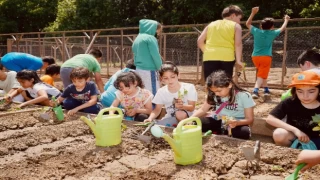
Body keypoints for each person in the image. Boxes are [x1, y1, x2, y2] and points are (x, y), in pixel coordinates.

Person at [191, 70, 255, 140]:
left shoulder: (244, 96)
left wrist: (236, 123)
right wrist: (189, 120)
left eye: (219, 91)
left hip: (236, 123)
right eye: (213, 91)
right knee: (195, 123)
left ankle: (222, 132)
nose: (216, 94)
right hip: (219, 120)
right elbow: (203, 109)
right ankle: (223, 131)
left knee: (243, 132)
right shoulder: (213, 94)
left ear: (229, 85)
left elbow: (250, 119)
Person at [266, 71, 320, 149]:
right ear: (294, 90)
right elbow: (270, 119)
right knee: (279, 134)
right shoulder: (290, 102)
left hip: (317, 139)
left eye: (311, 91)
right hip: (296, 137)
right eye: (300, 91)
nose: (305, 96)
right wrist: (295, 130)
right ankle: (290, 153)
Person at [246, 7, 290, 98]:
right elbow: (282, 28)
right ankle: (255, 91)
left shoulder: (256, 31)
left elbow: (248, 23)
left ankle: (266, 90)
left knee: (262, 73)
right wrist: (286, 20)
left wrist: (253, 13)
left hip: (255, 56)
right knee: (261, 75)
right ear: (272, 27)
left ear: (261, 26)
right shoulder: (273, 33)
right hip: (266, 57)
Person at [197, 5, 244, 79]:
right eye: (239, 18)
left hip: (209, 56)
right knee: (224, 83)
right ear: (233, 15)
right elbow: (238, 44)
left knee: (210, 82)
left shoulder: (211, 24)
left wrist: (207, 51)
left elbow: (200, 41)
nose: (239, 21)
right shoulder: (236, 26)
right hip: (227, 57)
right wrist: (238, 60)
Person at [144, 62, 197, 126]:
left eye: (172, 77)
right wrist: (150, 118)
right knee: (155, 126)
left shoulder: (189, 87)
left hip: (188, 117)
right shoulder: (161, 91)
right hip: (171, 118)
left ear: (178, 75)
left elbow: (192, 108)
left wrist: (182, 106)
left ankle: (186, 129)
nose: (170, 80)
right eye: (166, 78)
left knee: (179, 114)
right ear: (161, 79)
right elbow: (157, 110)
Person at [132, 19, 162, 95]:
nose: (158, 33)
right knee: (152, 91)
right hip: (149, 70)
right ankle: (153, 106)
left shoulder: (137, 38)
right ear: (152, 28)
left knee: (142, 90)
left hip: (138, 69)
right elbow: (155, 55)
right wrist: (160, 68)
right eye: (158, 30)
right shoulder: (150, 38)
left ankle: (145, 106)